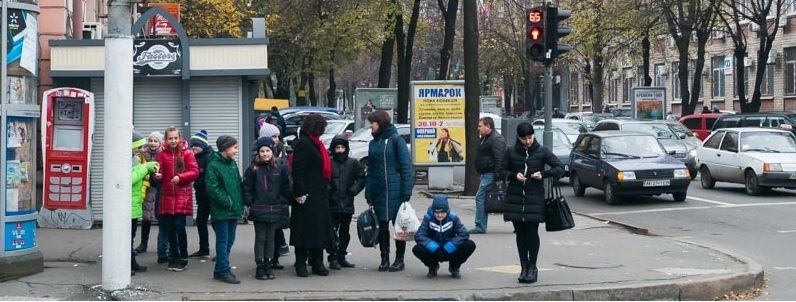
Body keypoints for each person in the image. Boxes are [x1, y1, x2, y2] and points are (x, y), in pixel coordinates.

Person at [501, 122, 564, 284]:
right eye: (524, 139)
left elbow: (559, 168)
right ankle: (523, 266)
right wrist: (514, 175)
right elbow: (500, 171)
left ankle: (532, 267)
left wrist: (543, 174)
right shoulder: (510, 151)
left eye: (530, 137)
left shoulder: (542, 151)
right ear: (518, 138)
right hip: (515, 200)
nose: (528, 141)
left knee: (532, 233)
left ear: (534, 135)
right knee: (520, 235)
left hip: (534, 199)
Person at [365, 110, 414, 272]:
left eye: (373, 122)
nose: (371, 125)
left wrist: (407, 190)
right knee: (382, 226)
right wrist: (369, 191)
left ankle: (399, 259)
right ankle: (384, 258)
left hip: (396, 190)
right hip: (379, 191)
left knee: (399, 225)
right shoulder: (373, 143)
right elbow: (370, 169)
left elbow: (406, 167)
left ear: (381, 122)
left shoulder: (396, 140)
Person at [289, 114, 334, 277]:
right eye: (322, 128)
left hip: (318, 192)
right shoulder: (304, 143)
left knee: (318, 229)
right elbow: (298, 169)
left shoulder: (315, 143)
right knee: (304, 230)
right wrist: (300, 192)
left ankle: (317, 262)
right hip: (306, 193)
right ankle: (301, 263)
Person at [243, 136, 293, 280]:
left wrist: (295, 196)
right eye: (262, 151)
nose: (265, 154)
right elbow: (246, 188)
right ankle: (260, 266)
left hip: (274, 209)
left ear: (273, 151)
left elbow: (285, 187)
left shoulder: (280, 168)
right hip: (259, 209)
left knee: (271, 238)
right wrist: (250, 203)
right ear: (258, 152)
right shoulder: (253, 168)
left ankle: (268, 265)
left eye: (267, 151)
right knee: (261, 238)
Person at [155, 127, 199, 272]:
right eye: (170, 138)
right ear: (166, 140)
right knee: (169, 228)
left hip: (182, 195)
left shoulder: (187, 153)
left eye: (175, 138)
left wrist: (180, 177)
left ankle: (183, 257)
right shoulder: (161, 154)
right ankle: (173, 255)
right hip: (167, 195)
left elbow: (194, 172)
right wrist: (157, 176)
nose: (173, 141)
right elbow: (158, 171)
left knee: (180, 227)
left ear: (179, 138)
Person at [205, 135, 244, 284]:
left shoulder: (232, 163)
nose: (236, 151)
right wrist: (228, 202)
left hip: (233, 209)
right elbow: (213, 189)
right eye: (234, 147)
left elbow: (238, 183)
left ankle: (220, 269)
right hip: (222, 210)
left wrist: (242, 203)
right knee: (223, 240)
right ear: (225, 148)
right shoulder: (213, 165)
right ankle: (223, 270)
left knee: (230, 240)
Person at [413, 195, 476, 279]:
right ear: (433, 211)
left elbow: (464, 234)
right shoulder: (428, 218)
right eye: (437, 212)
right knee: (417, 249)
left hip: (450, 249)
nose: (439, 215)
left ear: (447, 211)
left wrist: (451, 245)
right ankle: (433, 267)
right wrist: (433, 246)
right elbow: (419, 235)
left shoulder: (453, 218)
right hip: (434, 250)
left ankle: (454, 267)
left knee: (469, 245)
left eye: (442, 212)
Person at [327, 135, 366, 270]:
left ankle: (341, 256)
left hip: (347, 202)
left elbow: (361, 179)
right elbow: (323, 178)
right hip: (332, 203)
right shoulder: (329, 162)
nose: (340, 150)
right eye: (337, 148)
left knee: (345, 232)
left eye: (342, 147)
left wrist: (352, 191)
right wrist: (329, 190)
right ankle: (332, 257)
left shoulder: (353, 163)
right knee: (332, 231)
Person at [471, 117, 506, 234]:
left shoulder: (496, 139)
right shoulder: (486, 138)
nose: (478, 128)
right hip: (486, 173)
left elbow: (499, 159)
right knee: (489, 198)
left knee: (480, 196)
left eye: (480, 126)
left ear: (488, 126)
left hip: (491, 174)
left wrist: (498, 177)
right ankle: (481, 225)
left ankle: (480, 226)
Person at [131, 130, 159, 275]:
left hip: (135, 200)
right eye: (139, 147)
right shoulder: (130, 158)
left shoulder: (133, 157)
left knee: (131, 234)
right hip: (132, 201)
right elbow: (130, 178)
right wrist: (145, 168)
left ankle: (131, 263)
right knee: (128, 235)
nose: (141, 150)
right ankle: (126, 264)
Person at [135, 132, 163, 254]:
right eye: (151, 140)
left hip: (159, 189)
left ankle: (163, 245)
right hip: (146, 188)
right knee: (146, 218)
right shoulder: (142, 153)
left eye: (155, 141)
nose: (152, 143)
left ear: (160, 143)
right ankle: (143, 243)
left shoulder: (163, 154)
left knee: (162, 218)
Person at [189, 129, 213, 258]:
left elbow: (209, 177)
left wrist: (196, 183)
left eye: (195, 145)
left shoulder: (209, 157)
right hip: (202, 196)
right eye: (191, 145)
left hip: (211, 196)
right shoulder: (196, 157)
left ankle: (221, 251)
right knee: (200, 222)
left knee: (216, 223)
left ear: (202, 145)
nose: (192, 148)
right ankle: (204, 249)